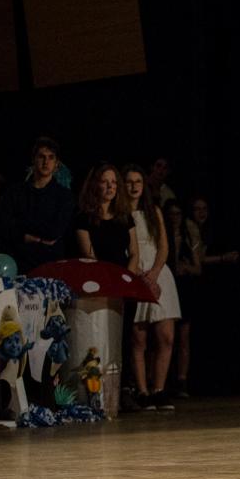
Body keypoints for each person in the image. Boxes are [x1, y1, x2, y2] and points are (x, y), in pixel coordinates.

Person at [123, 164, 181, 411]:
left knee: (166, 336)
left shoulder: (153, 211)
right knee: (139, 337)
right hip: (135, 273)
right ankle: (142, 391)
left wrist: (155, 273)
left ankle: (159, 389)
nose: (134, 186)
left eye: (138, 181)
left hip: (158, 274)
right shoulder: (121, 213)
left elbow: (164, 246)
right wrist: (138, 275)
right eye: (129, 181)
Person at [0, 137, 73, 272]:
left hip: (51, 264)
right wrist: (29, 236)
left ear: (57, 163)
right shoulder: (15, 192)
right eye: (41, 156)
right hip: (18, 263)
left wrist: (23, 229)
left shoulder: (64, 196)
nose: (46, 162)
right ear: (33, 159)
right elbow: (4, 226)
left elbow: (54, 230)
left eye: (51, 157)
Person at [164, 200, 200, 397]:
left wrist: (185, 267)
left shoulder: (188, 235)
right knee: (164, 336)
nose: (174, 218)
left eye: (178, 214)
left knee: (183, 337)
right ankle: (161, 380)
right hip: (168, 286)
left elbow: (197, 267)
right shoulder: (162, 235)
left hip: (184, 288)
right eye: (171, 214)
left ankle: (181, 380)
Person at [74, 164, 139, 271]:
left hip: (124, 274)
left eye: (113, 182)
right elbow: (89, 257)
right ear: (94, 185)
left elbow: (134, 253)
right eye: (104, 181)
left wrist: (127, 276)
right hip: (97, 274)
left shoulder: (124, 215)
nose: (110, 186)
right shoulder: (83, 217)